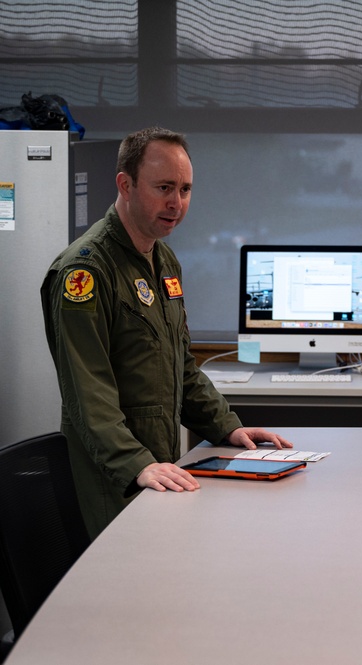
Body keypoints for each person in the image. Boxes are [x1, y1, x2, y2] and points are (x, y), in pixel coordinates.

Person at [42, 126, 292, 538]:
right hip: (116, 477)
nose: (177, 203)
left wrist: (227, 426)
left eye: (186, 189)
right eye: (163, 187)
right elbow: (88, 394)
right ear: (125, 184)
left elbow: (181, 366)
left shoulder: (162, 259)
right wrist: (134, 464)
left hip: (160, 467)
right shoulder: (85, 271)